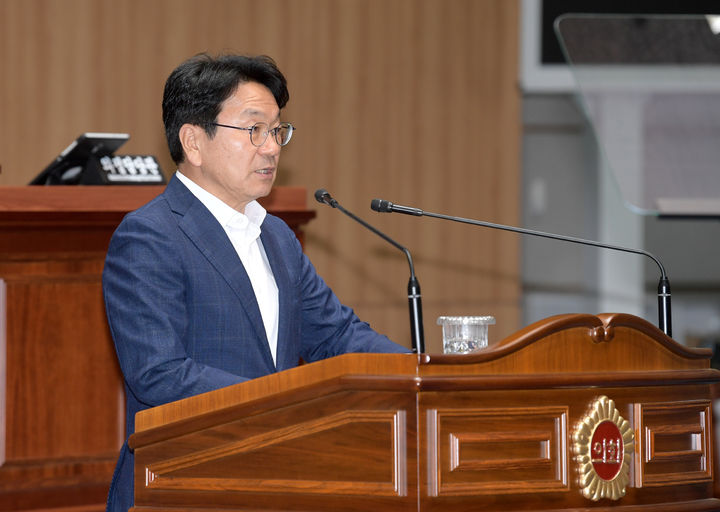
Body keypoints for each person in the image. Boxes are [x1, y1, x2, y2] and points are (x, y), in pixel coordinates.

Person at [102, 53, 408, 511]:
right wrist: (289, 402)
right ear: (194, 141)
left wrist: (424, 370)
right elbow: (159, 374)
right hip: (181, 484)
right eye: (253, 130)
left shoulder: (276, 236)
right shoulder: (150, 235)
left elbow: (338, 336)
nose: (271, 147)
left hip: (271, 477)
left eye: (277, 130)